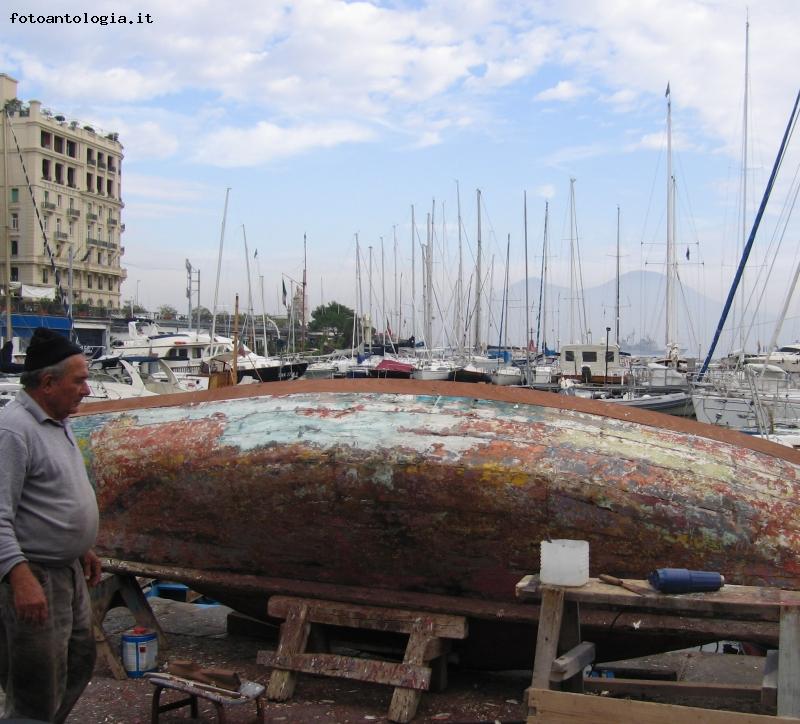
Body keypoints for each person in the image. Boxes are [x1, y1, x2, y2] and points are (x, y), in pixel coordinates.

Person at [0, 327, 101, 723]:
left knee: (78, 660)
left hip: (68, 572)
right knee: (34, 686)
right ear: (47, 382)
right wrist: (19, 577)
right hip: (34, 577)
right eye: (79, 381)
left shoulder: (57, 422)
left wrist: (82, 547)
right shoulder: (13, 431)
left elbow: (52, 496)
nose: (87, 390)